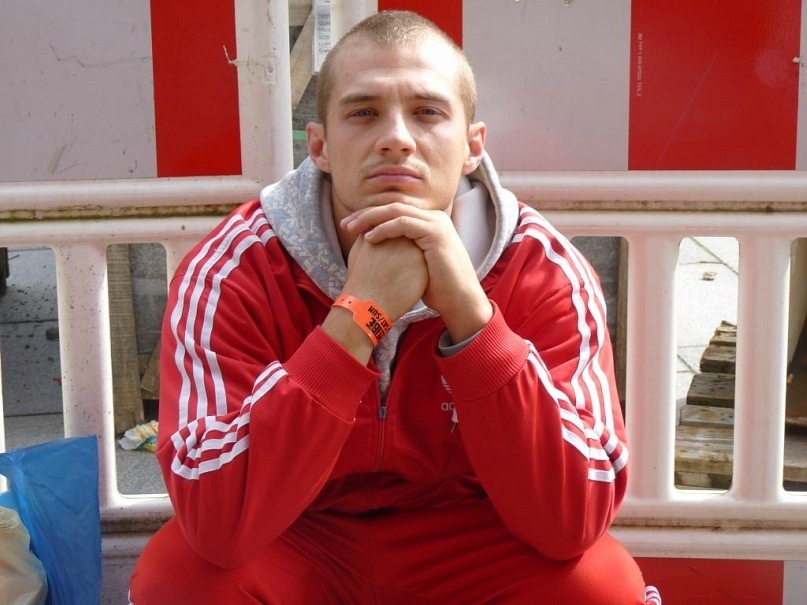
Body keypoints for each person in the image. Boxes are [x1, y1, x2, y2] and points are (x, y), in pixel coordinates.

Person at [130, 9, 660, 604]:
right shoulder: (234, 267)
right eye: (363, 112)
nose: (397, 138)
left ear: (472, 146)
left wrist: (472, 318)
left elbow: (573, 518)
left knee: (600, 588)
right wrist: (361, 316)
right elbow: (216, 520)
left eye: (428, 112)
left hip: (475, 537)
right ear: (320, 146)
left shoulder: (542, 267)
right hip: (298, 535)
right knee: (179, 582)